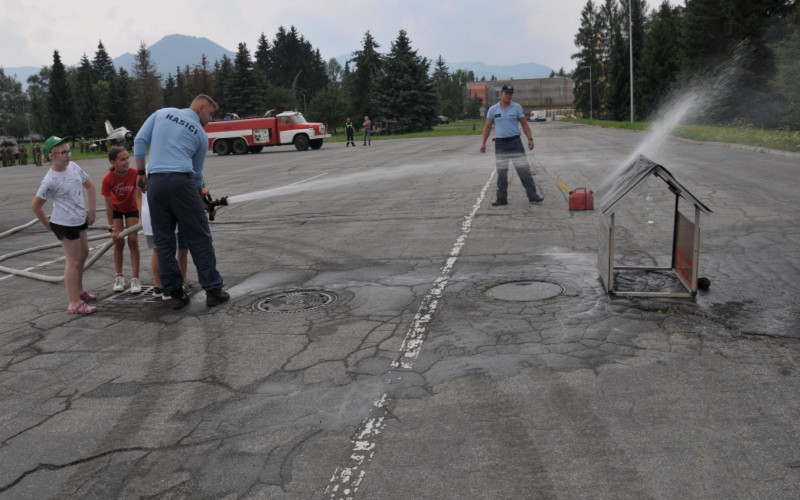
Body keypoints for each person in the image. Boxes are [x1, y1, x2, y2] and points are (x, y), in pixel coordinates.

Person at [134, 94, 229, 309]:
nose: (210, 119)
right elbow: (196, 175)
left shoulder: (161, 113)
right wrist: (199, 199)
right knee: (199, 237)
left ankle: (175, 294)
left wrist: (141, 172)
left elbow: (139, 140)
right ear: (200, 108)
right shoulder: (201, 136)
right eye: (210, 114)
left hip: (155, 183)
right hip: (182, 183)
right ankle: (213, 291)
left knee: (164, 241)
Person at [31, 136, 98, 315]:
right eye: (64, 152)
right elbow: (36, 205)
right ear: (52, 156)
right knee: (73, 261)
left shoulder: (74, 167)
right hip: (64, 223)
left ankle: (79, 291)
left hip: (79, 219)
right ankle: (73, 303)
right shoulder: (50, 180)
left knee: (84, 253)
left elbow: (90, 186)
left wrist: (91, 211)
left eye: (69, 151)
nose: (68, 155)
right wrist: (48, 225)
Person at [480, 84, 543, 206]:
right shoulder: (493, 110)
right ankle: (501, 198)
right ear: (501, 94)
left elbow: (524, 124)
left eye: (510, 94)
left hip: (515, 143)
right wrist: (483, 143)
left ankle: (532, 195)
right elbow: (487, 127)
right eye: (506, 93)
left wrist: (530, 139)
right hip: (500, 144)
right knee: (502, 172)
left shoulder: (516, 107)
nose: (509, 96)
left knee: (524, 170)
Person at [101, 146, 142, 293]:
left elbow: (139, 196)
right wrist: (111, 228)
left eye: (127, 158)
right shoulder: (108, 179)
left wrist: (142, 215)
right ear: (113, 162)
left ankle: (135, 279)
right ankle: (119, 276)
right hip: (116, 210)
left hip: (131, 208)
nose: (126, 162)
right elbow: (108, 206)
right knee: (118, 242)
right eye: (122, 159)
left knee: (132, 239)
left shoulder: (135, 174)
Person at [140, 186, 189, 300]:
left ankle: (160, 286)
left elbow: (138, 194)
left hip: (148, 211)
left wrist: (141, 211)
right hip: (162, 212)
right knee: (166, 250)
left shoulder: (144, 172)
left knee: (157, 250)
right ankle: (170, 287)